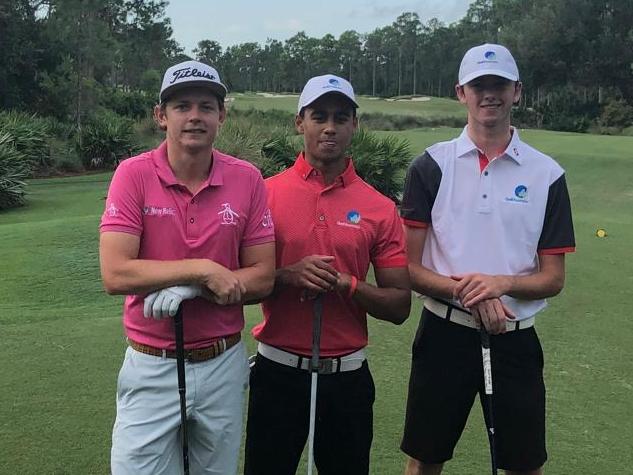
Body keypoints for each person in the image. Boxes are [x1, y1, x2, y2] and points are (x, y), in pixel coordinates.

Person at [399, 43, 576, 475]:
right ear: (461, 91)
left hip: (514, 339)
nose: (489, 94)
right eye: (479, 84)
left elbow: (553, 278)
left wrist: (500, 284)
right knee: (425, 459)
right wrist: (471, 294)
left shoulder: (546, 174)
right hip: (444, 335)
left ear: (517, 91)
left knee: (523, 464)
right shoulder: (430, 166)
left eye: (498, 84)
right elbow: (407, 267)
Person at [99, 60, 275, 475]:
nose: (194, 116)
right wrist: (199, 271)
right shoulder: (133, 174)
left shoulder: (247, 178)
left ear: (221, 115)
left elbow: (263, 275)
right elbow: (116, 272)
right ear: (161, 116)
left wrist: (197, 288)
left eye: (206, 106)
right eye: (181, 106)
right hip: (151, 363)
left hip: (222, 363)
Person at [243, 74, 411, 475]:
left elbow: (399, 305)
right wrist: (287, 275)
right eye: (319, 116)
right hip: (277, 374)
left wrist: (346, 285)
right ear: (300, 122)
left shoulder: (379, 207)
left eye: (341, 117)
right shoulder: (263, 194)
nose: (330, 127)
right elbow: (237, 285)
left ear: (355, 124)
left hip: (347, 380)